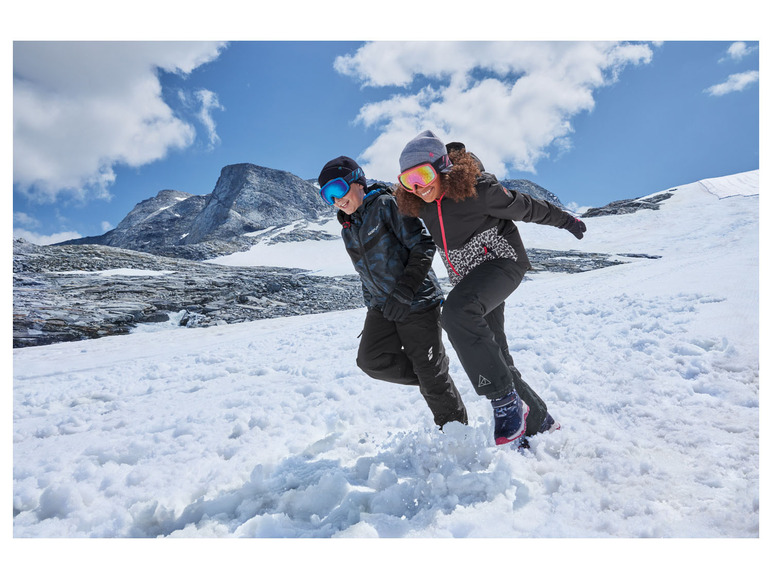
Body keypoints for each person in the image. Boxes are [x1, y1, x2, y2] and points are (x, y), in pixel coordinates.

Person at [394, 131, 587, 446]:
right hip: (472, 280)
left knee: (456, 313)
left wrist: (566, 221)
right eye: (408, 181)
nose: (418, 187)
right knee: (496, 355)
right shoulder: (422, 205)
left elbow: (526, 207)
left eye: (423, 175)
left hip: (503, 262)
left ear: (441, 167)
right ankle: (539, 421)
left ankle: (505, 402)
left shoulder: (478, 191)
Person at [317, 156, 468, 428]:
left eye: (338, 189)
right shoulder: (348, 229)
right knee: (370, 360)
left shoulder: (386, 205)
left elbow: (423, 245)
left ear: (357, 181)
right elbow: (365, 271)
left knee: (431, 377)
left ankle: (458, 438)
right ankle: (433, 373)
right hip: (382, 307)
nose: (336, 200)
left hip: (418, 301)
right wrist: (373, 304)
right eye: (327, 195)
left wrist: (405, 291)